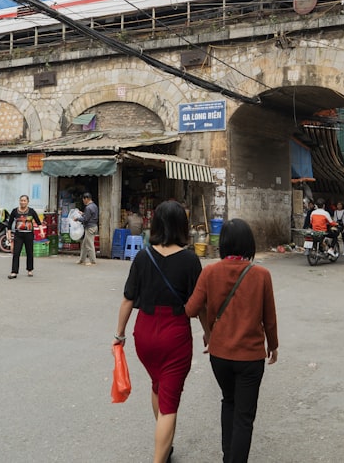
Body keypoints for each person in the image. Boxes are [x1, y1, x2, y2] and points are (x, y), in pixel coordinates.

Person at [114, 201, 204, 463]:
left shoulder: (143, 256)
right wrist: (209, 333)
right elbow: (200, 307)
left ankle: (165, 444)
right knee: (169, 404)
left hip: (144, 333)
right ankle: (159, 457)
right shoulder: (189, 260)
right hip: (174, 334)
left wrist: (119, 335)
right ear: (181, 226)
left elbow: (128, 299)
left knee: (157, 385)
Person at [186, 219, 278, 463]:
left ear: (224, 243)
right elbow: (269, 318)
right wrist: (274, 345)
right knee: (244, 416)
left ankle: (229, 455)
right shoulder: (261, 275)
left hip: (220, 355)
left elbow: (191, 308)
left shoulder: (210, 272)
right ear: (249, 243)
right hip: (250, 357)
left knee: (229, 401)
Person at [7, 195, 40, 279]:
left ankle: (30, 270)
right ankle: (14, 272)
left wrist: (42, 232)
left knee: (29, 252)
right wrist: (9, 235)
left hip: (29, 234)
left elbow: (38, 222)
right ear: (19, 201)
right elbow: (9, 224)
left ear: (28, 202)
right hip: (18, 235)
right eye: (21, 200)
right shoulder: (15, 211)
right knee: (16, 253)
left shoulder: (31, 211)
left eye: (24, 201)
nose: (23, 202)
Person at [78, 192, 99, 266]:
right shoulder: (94, 206)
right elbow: (90, 216)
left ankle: (93, 261)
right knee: (84, 244)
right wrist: (83, 214)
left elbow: (85, 219)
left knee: (89, 244)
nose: (83, 201)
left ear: (86, 199)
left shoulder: (88, 207)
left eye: (83, 199)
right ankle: (82, 260)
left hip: (90, 227)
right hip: (94, 226)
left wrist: (77, 218)